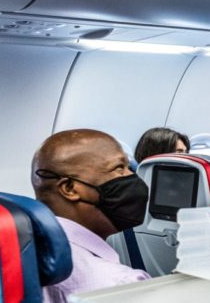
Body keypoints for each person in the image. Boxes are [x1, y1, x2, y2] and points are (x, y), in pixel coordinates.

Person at [32, 129, 151, 301]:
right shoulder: (118, 285)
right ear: (70, 188)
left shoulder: (27, 246)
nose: (132, 177)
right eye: (119, 169)